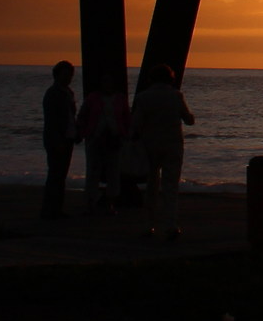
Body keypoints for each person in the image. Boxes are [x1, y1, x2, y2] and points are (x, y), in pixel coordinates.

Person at [130, 63, 196, 239]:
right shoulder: (176, 96)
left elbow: (135, 124)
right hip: (172, 144)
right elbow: (188, 120)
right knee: (170, 185)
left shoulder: (143, 98)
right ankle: (171, 224)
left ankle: (149, 224)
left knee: (152, 185)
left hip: (150, 145)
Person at [75, 81, 130, 214]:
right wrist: (83, 133)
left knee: (113, 172)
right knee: (93, 171)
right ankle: (91, 202)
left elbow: (127, 117)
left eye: (110, 83)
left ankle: (110, 203)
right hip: (95, 138)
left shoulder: (120, 99)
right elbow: (82, 116)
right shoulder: (92, 98)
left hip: (114, 138)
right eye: (105, 83)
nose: (108, 86)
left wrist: (125, 134)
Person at [40, 60, 78, 219]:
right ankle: (50, 209)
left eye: (70, 75)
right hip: (57, 139)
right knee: (56, 174)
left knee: (60, 175)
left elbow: (70, 117)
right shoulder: (53, 93)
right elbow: (51, 120)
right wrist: (57, 140)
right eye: (66, 74)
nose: (69, 77)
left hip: (67, 137)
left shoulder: (68, 92)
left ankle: (56, 208)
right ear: (57, 75)